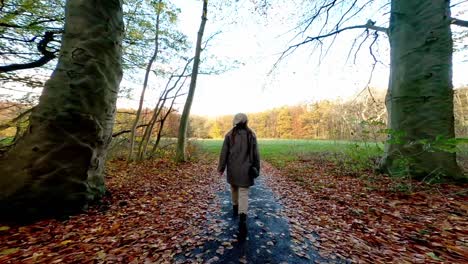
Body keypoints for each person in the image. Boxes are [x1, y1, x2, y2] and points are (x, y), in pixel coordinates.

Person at [217, 113, 260, 240]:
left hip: (233, 169)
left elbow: (223, 152)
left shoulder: (229, 135)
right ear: (246, 121)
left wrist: (221, 168)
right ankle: (242, 218)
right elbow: (256, 153)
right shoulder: (251, 134)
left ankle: (235, 207)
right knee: (243, 193)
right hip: (246, 169)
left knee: (234, 188)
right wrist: (257, 167)